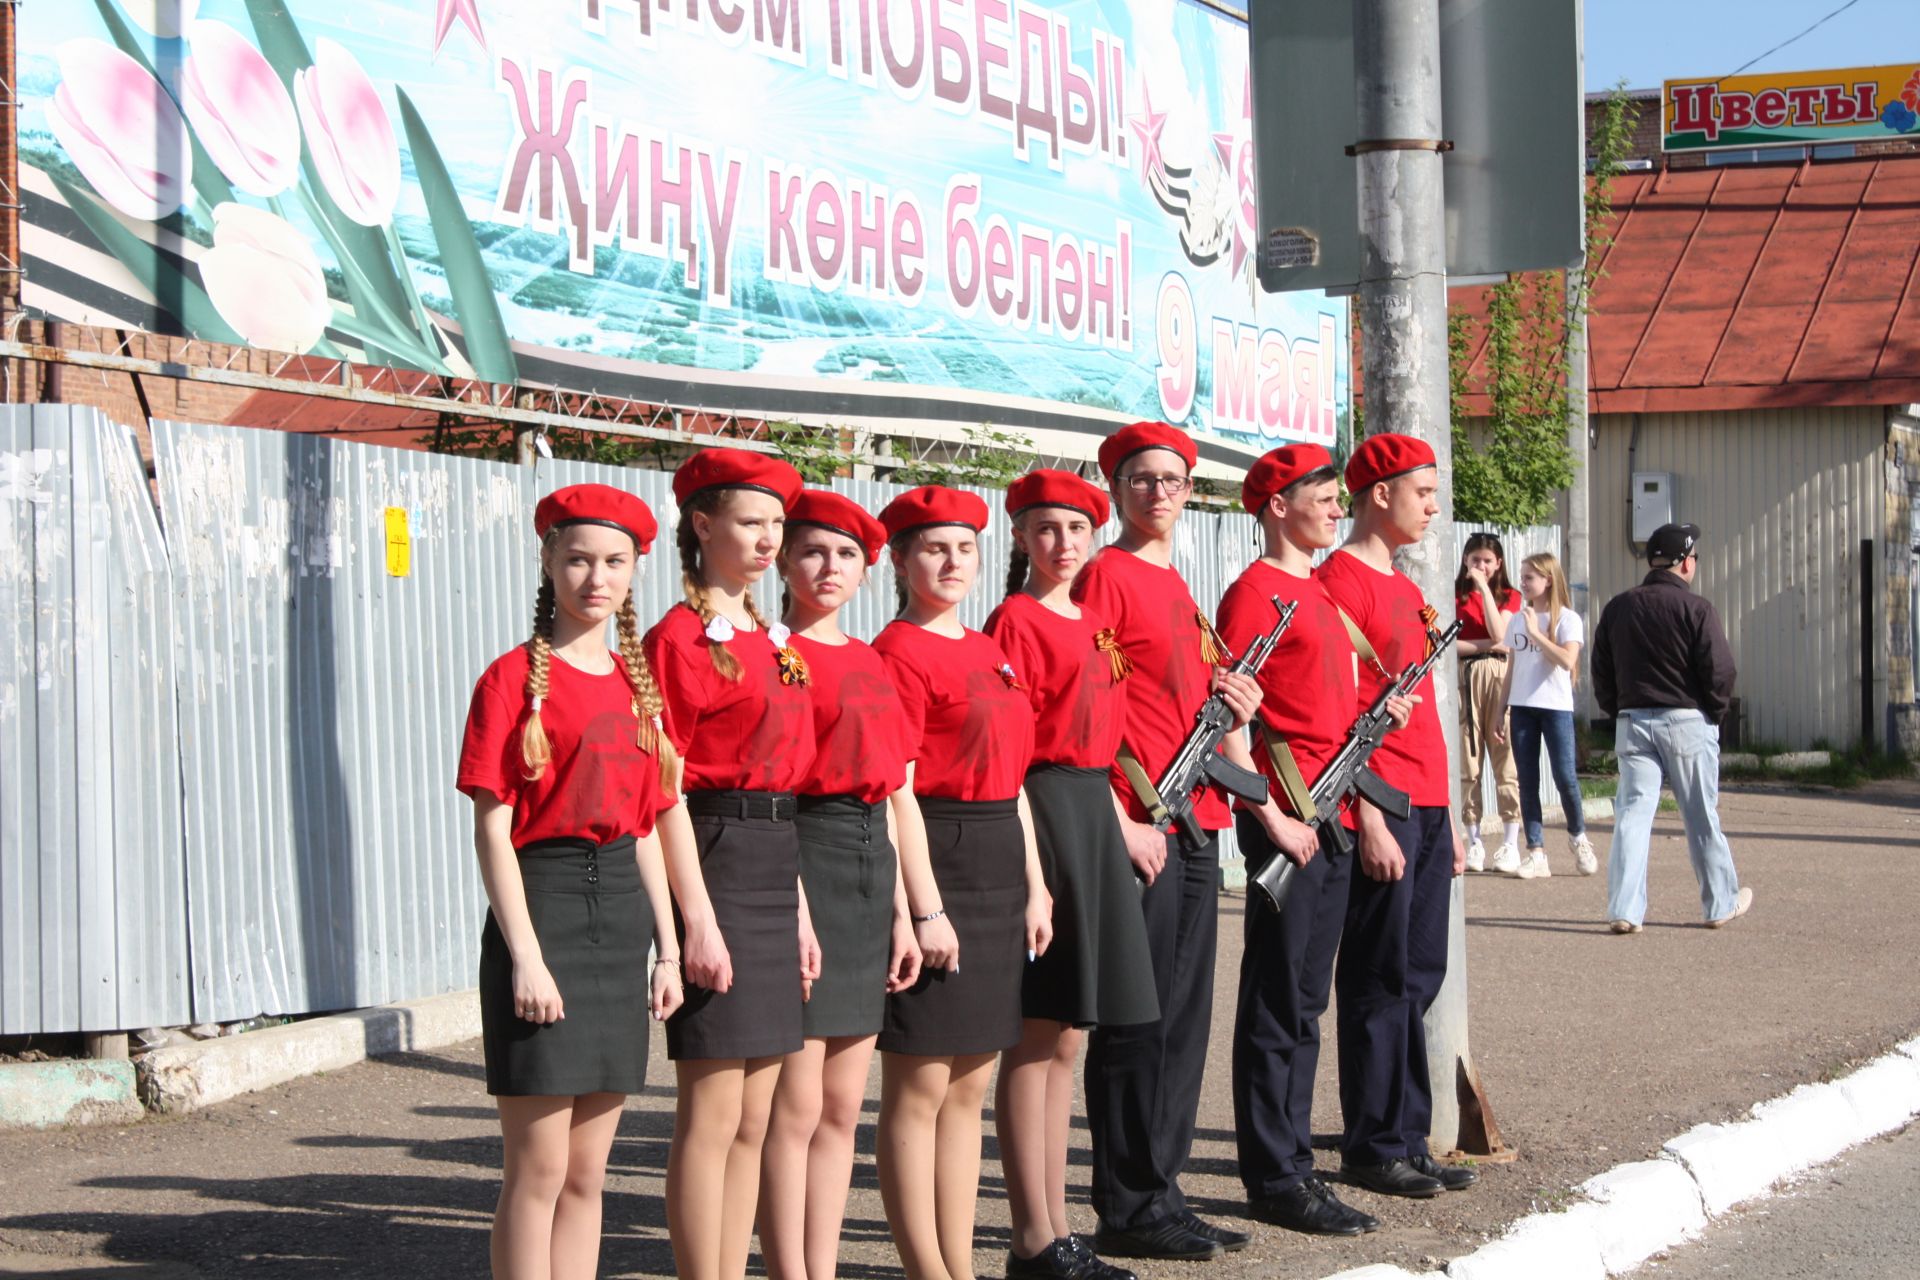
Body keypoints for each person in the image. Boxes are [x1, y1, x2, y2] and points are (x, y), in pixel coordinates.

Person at [456, 483, 686, 1280]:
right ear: (548, 561)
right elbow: (493, 827)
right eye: (579, 558)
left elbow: (650, 825)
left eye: (614, 561)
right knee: (540, 1170)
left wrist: (668, 950)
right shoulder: (510, 679)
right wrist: (525, 955)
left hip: (620, 918)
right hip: (544, 907)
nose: (596, 577)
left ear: (635, 571)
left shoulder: (640, 684)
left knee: (589, 1175)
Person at [1072, 422, 1266, 1262]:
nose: (1157, 492)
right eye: (1141, 479)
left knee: (1184, 1020)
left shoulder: (1178, 584)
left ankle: (1163, 1188)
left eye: (1172, 480)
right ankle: (1126, 1202)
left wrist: (1237, 701)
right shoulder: (1105, 576)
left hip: (1194, 822)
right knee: (1136, 1023)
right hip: (1142, 823)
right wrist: (1122, 818)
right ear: (1117, 489)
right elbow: (1086, 708)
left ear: (1191, 492)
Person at [1223, 444, 1408, 1238]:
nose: (1338, 509)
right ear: (1277, 507)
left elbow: (1330, 716)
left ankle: (1294, 1163)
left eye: (1338, 498)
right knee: (1277, 1002)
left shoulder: (1319, 595)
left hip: (1327, 816)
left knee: (1306, 1003)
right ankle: (1275, 1175)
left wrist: (1379, 731)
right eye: (1325, 498)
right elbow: (1229, 721)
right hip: (1288, 820)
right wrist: (1270, 817)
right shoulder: (1257, 593)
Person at [645, 448, 819, 1280]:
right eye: (749, 523)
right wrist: (696, 925)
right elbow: (664, 791)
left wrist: (801, 914)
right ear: (702, 525)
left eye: (775, 525)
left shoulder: (769, 635)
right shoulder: (678, 639)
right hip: (710, 855)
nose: (766, 541)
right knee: (712, 1112)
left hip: (772, 858)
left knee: (756, 1114)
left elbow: (784, 783)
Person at [871, 485, 1052, 1280]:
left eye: (964, 548)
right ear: (902, 560)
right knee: (919, 1083)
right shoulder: (897, 652)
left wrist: (1037, 887)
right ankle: (924, 1268)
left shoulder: (989, 648)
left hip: (998, 864)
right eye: (932, 549)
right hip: (936, 857)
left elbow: (1015, 781)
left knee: (970, 1087)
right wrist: (924, 907)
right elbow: (895, 790)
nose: (950, 563)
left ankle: (960, 1265)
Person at [985, 469, 1159, 1280]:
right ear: (1020, 537)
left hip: (1092, 808)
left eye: (1076, 531)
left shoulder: (1094, 622)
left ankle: (1057, 1230)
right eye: (1045, 530)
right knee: (1038, 1031)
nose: (1062, 545)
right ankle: (1032, 1233)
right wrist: (1032, 873)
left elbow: (1112, 733)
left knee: (1075, 1033)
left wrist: (1119, 820)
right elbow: (1013, 751)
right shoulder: (1014, 621)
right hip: (1045, 809)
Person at [759, 490, 937, 1280]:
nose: (828, 570)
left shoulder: (870, 661)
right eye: (812, 552)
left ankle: (820, 1270)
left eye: (845, 557)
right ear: (785, 561)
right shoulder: (772, 654)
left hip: (870, 871)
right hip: (802, 854)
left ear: (868, 573)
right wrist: (789, 904)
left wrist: (904, 911)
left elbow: (897, 794)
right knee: (792, 1108)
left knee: (840, 1109)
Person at [1315, 433, 1476, 1201]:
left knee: (1420, 974)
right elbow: (1340, 717)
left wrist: (1455, 817)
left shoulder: (1408, 586)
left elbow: (1420, 711)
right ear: (1379, 493)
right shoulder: (1337, 583)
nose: (1434, 507)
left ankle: (1408, 1134)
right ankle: (1373, 1143)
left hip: (1430, 802)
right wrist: (1369, 818)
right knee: (1379, 976)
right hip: (1383, 803)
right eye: (1423, 492)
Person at [1590, 522, 1750, 933]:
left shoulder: (1618, 607)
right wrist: (1714, 713)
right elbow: (1720, 670)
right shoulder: (1697, 609)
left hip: (1633, 721)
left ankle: (1624, 909)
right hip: (1685, 721)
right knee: (1699, 814)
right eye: (1694, 558)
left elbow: (1602, 671)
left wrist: (1617, 710)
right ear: (1684, 562)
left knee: (1632, 815)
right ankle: (1720, 903)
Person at [1490, 552, 1594, 880]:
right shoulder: (1518, 619)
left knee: (1565, 778)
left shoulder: (1567, 619)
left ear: (1548, 579)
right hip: (1522, 708)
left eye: (1530, 577)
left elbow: (1566, 661)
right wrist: (1500, 709)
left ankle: (1579, 838)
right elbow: (1512, 667)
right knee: (1527, 782)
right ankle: (1536, 852)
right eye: (1522, 576)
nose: (1523, 582)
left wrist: (1537, 633)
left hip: (1555, 709)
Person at [1453, 533, 1523, 873]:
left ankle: (1510, 841)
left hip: (1499, 676)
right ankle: (1474, 839)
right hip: (1464, 678)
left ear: (1498, 565)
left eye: (1487, 561)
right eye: (1475, 559)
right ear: (1465, 559)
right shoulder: (1451, 595)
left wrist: (1483, 591)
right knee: (1469, 762)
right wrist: (1486, 645)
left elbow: (1501, 634)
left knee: (1504, 757)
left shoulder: (1509, 596)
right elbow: (1446, 644)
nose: (1480, 566)